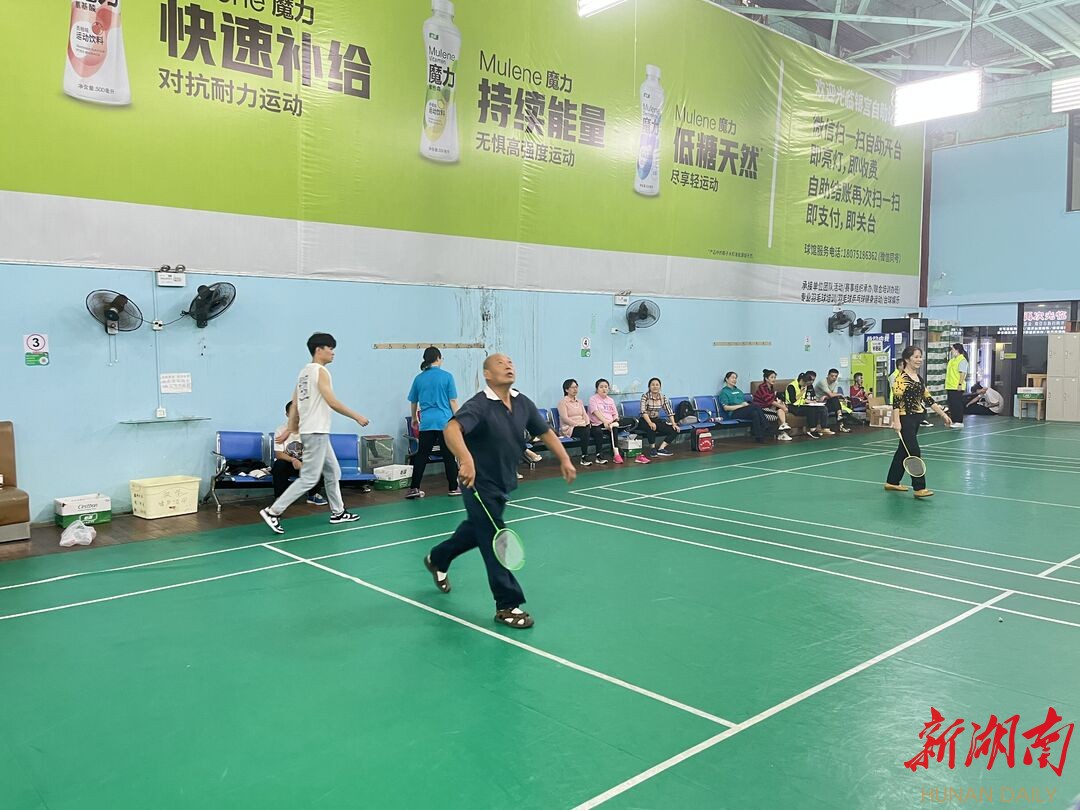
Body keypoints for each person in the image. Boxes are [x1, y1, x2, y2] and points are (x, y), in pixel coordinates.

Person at [422, 354, 576, 630]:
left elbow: (545, 432)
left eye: (510, 363)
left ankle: (438, 558)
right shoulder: (480, 404)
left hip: (503, 483)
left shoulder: (521, 402)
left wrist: (564, 458)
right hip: (477, 484)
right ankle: (507, 604)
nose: (508, 366)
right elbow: (452, 429)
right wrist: (466, 460)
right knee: (496, 538)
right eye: (500, 364)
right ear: (487, 374)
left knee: (476, 530)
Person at [260, 333, 368, 534]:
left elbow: (295, 404)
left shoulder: (303, 373)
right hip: (316, 431)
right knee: (309, 478)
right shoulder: (320, 371)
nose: (333, 353)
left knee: (333, 471)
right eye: (330, 348)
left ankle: (338, 512)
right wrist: (356, 416)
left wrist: (290, 429)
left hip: (315, 432)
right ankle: (273, 511)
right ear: (319, 350)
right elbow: (332, 401)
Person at [885, 347, 953, 498]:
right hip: (905, 419)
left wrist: (942, 414)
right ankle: (919, 487)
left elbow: (928, 398)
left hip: (916, 418)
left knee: (903, 451)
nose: (919, 359)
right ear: (907, 359)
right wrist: (896, 422)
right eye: (916, 357)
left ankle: (892, 481)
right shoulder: (901, 379)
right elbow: (896, 403)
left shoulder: (918, 378)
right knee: (914, 452)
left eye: (920, 356)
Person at [406, 346, 460, 499]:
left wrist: (414, 418)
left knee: (421, 456)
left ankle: (414, 488)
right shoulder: (447, 377)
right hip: (445, 422)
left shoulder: (419, 378)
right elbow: (453, 401)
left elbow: (413, 402)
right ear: (438, 358)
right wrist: (460, 419)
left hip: (427, 423)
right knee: (448, 455)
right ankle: (453, 488)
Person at [271, 400, 327, 505]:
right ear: (287, 415)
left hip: (305, 462)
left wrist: (305, 462)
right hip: (289, 463)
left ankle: (313, 495)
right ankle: (280, 497)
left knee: (317, 463)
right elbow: (278, 454)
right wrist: (293, 460)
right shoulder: (280, 430)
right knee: (279, 464)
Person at [588, 379, 639, 463]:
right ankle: (616, 454)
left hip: (612, 423)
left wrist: (615, 420)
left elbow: (615, 414)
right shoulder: (593, 399)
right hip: (599, 425)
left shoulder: (610, 400)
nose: (604, 389)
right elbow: (596, 412)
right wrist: (605, 422)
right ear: (597, 389)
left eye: (606, 387)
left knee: (634, 421)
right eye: (601, 387)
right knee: (614, 427)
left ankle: (614, 424)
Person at [718, 371, 774, 443]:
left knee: (755, 413)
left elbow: (743, 403)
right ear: (727, 379)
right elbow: (726, 408)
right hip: (733, 413)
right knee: (756, 405)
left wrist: (745, 405)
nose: (734, 380)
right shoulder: (724, 392)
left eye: (735, 378)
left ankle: (759, 437)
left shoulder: (739, 391)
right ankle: (766, 425)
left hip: (743, 411)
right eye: (732, 378)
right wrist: (741, 405)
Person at [557, 379, 602, 465]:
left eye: (576, 387)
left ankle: (599, 455)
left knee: (597, 431)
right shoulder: (562, 402)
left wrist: (587, 423)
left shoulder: (579, 401)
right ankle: (584, 457)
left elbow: (585, 415)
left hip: (583, 426)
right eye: (572, 387)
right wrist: (578, 424)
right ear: (566, 390)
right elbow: (564, 418)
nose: (575, 389)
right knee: (585, 431)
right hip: (569, 428)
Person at [638, 377, 679, 457]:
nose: (655, 386)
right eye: (653, 385)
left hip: (656, 419)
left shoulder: (662, 397)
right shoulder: (645, 396)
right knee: (651, 427)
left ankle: (661, 449)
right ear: (649, 387)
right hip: (644, 420)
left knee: (675, 430)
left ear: (660, 387)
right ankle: (652, 449)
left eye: (657, 385)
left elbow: (669, 411)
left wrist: (674, 423)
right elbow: (643, 412)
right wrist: (650, 422)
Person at [783, 373, 828, 438]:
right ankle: (812, 429)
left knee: (820, 408)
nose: (806, 385)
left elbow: (803, 399)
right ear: (801, 380)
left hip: (802, 405)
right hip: (792, 406)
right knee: (811, 409)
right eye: (805, 383)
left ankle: (822, 428)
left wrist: (811, 402)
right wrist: (801, 393)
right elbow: (792, 400)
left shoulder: (804, 386)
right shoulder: (791, 386)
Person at [752, 369, 793, 441]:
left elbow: (773, 399)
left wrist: (781, 404)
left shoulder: (771, 387)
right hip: (760, 408)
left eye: (774, 377)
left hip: (769, 407)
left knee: (780, 409)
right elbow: (770, 401)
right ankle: (782, 432)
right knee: (780, 410)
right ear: (766, 379)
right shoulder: (762, 387)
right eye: (772, 377)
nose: (774, 379)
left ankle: (783, 429)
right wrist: (782, 407)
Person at [814, 368, 852, 433]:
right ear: (828, 376)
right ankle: (839, 419)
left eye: (836, 376)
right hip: (818, 403)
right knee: (835, 400)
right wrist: (839, 394)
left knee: (835, 400)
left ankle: (840, 423)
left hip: (827, 401)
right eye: (832, 376)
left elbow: (833, 395)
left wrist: (825, 396)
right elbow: (831, 395)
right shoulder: (822, 382)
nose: (834, 378)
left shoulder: (835, 383)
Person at [945, 343, 970, 429]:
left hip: (957, 386)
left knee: (957, 404)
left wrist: (960, 384)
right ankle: (953, 420)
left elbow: (962, 373)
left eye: (952, 349)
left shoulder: (962, 360)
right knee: (951, 404)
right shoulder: (952, 360)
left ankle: (959, 421)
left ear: (957, 350)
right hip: (950, 386)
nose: (951, 351)